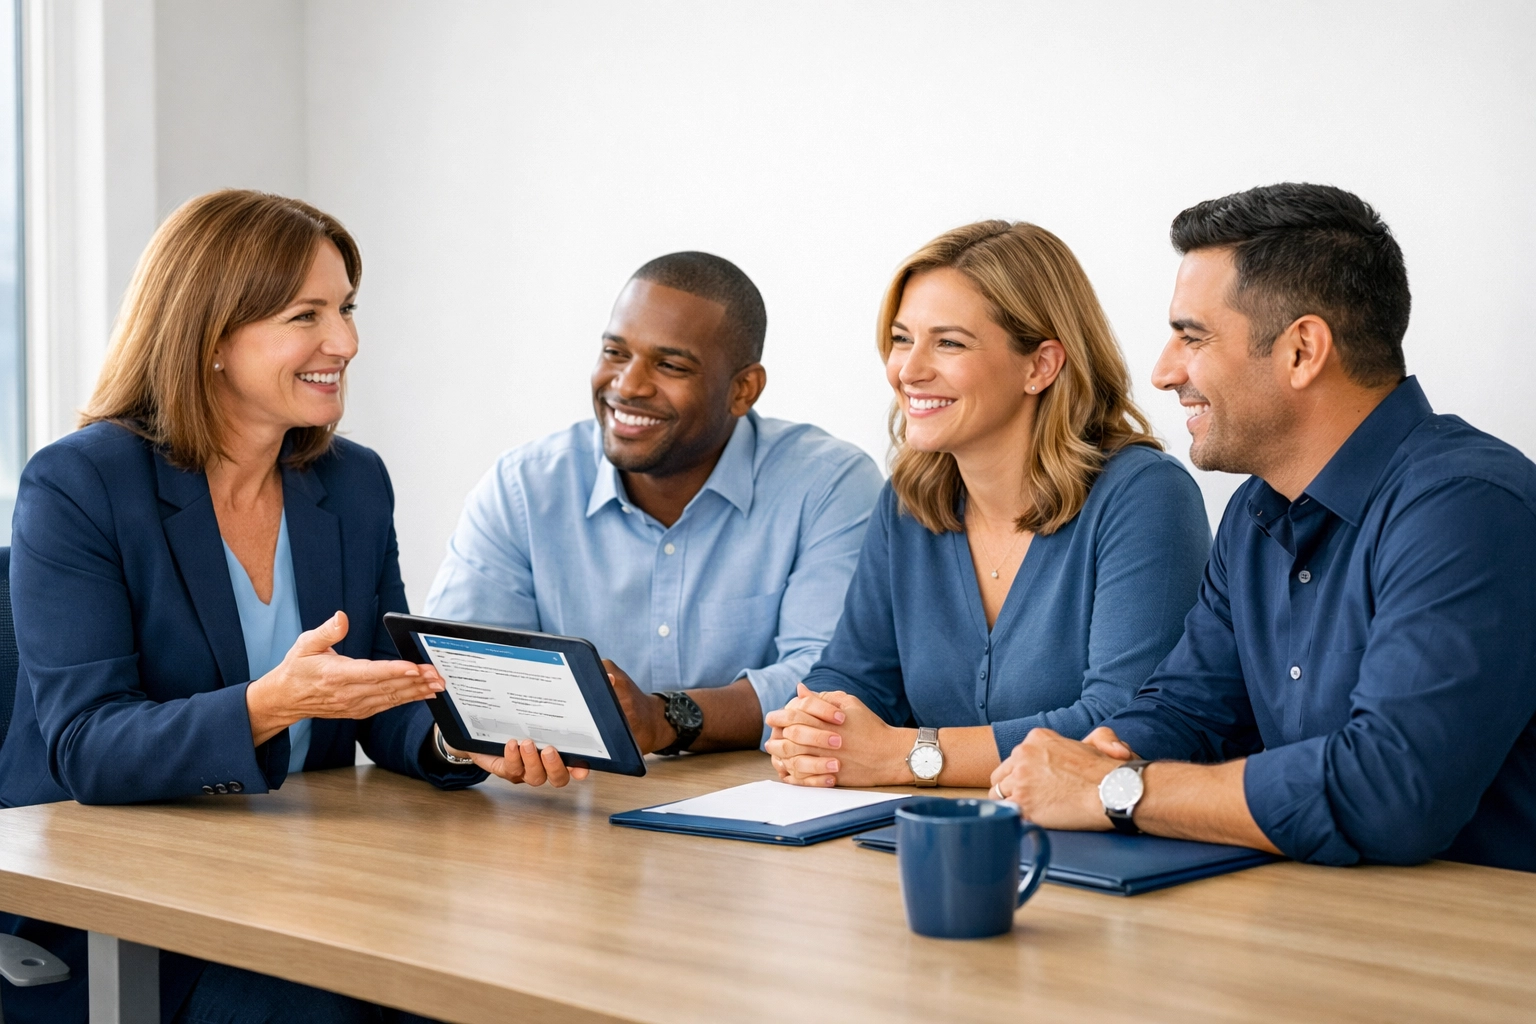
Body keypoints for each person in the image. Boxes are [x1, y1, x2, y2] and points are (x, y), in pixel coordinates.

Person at [0, 190, 477, 1023]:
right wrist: (268, 706)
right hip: (120, 911)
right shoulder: (80, 485)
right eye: (306, 316)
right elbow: (88, 746)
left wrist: (457, 737)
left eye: (346, 309)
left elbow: (378, 690)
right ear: (212, 337)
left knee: (472, 982)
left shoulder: (352, 483)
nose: (346, 343)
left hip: (305, 880)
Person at [991, 183, 1536, 873]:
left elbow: (1391, 793)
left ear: (1302, 350)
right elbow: (1190, 711)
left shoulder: (1467, 508)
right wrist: (1095, 757)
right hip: (1309, 911)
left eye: (1192, 337)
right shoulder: (1255, 512)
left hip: (1464, 930)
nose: (1162, 372)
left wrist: (1112, 789)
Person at [764, 221, 1210, 789]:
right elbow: (855, 675)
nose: (909, 370)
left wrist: (906, 755)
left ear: (1040, 366)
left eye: (948, 343)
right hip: (932, 830)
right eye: (901, 339)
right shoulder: (908, 500)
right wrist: (816, 731)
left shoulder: (1144, 495)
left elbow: (1123, 725)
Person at [424, 252, 883, 779]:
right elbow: (457, 670)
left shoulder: (828, 485)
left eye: (670, 366)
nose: (628, 385)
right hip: (568, 804)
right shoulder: (524, 488)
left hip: (762, 808)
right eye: (615, 352)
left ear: (743, 390)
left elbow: (830, 684)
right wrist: (467, 742)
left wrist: (664, 718)